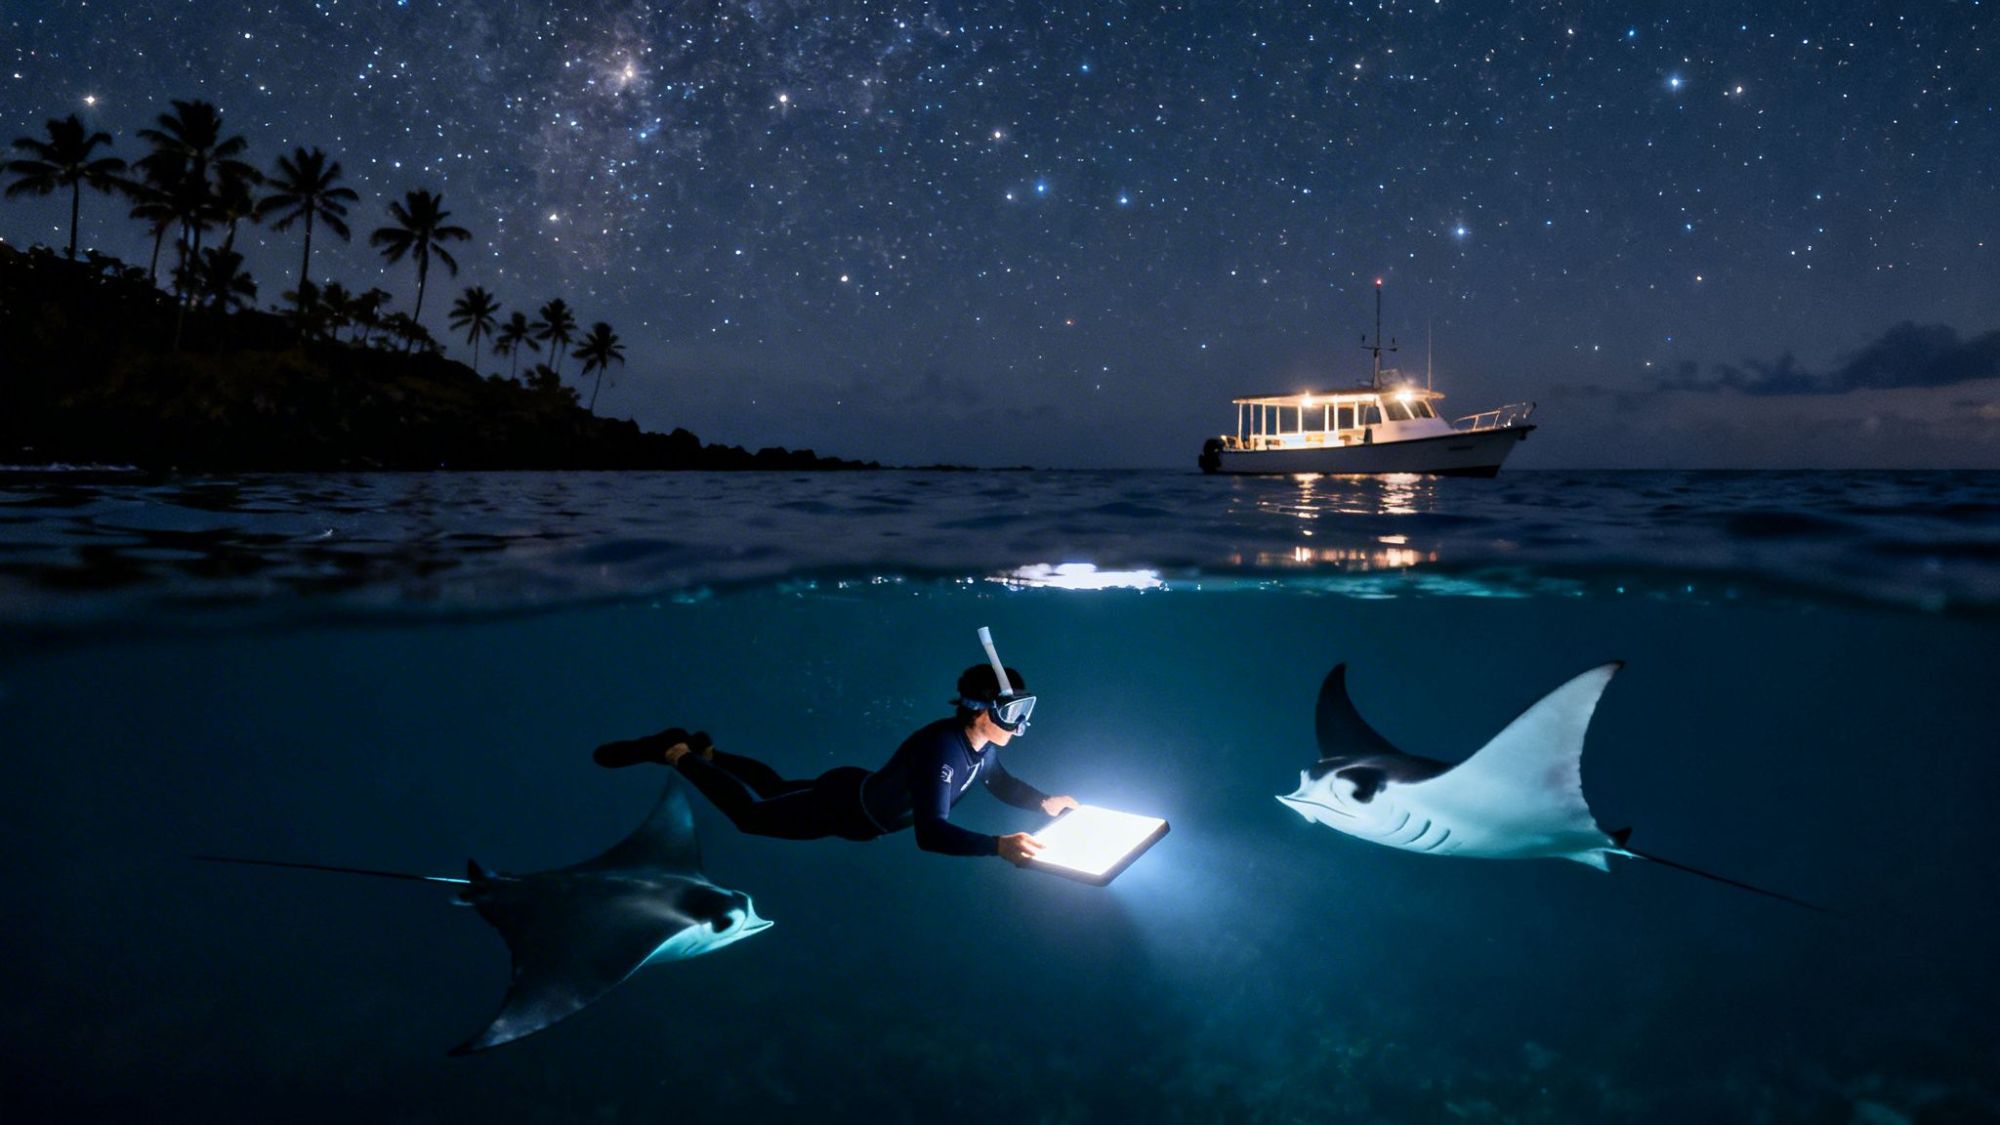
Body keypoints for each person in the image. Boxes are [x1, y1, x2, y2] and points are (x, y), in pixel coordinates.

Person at [593, 663, 1078, 865]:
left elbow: (1000, 783)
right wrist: (997, 846)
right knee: (750, 816)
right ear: (979, 709)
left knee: (778, 785)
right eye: (1013, 712)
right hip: (841, 808)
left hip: (855, 792)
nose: (1020, 724)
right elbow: (930, 834)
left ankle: (710, 754)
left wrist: (1043, 802)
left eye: (1025, 711)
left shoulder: (983, 748)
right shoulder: (941, 751)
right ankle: (676, 754)